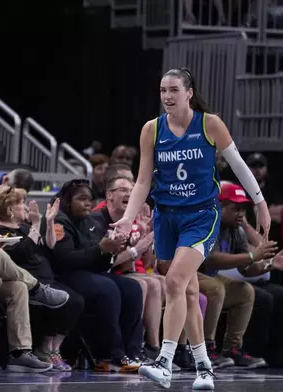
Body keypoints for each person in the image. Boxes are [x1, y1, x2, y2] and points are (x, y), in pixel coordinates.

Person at [113, 68, 271, 390]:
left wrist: (261, 204)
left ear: (188, 92)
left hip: (200, 216)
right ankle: (203, 367)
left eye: (173, 90)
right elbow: (143, 180)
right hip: (166, 216)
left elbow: (238, 164)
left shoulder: (209, 124)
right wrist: (129, 218)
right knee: (184, 289)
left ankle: (164, 362)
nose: (167, 96)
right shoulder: (151, 130)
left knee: (173, 281)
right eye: (162, 90)